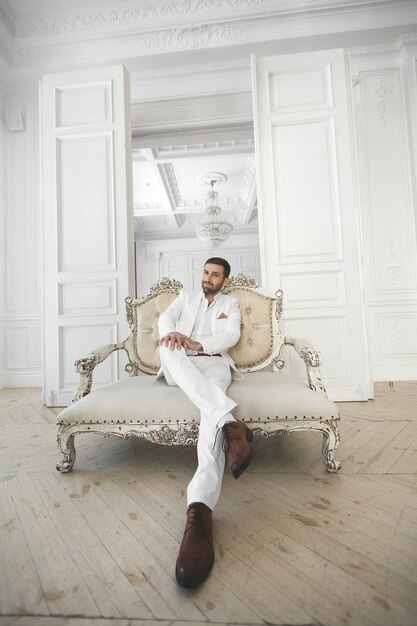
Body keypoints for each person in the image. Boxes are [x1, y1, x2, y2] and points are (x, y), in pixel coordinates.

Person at [157, 257, 253, 588]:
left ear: (224, 280)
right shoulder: (185, 297)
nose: (208, 278)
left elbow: (231, 333)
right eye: (206, 272)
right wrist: (175, 335)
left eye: (215, 275)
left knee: (209, 416)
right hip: (180, 362)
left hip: (212, 362)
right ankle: (232, 424)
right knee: (168, 346)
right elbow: (166, 319)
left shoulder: (231, 303)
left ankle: (199, 510)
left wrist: (200, 344)